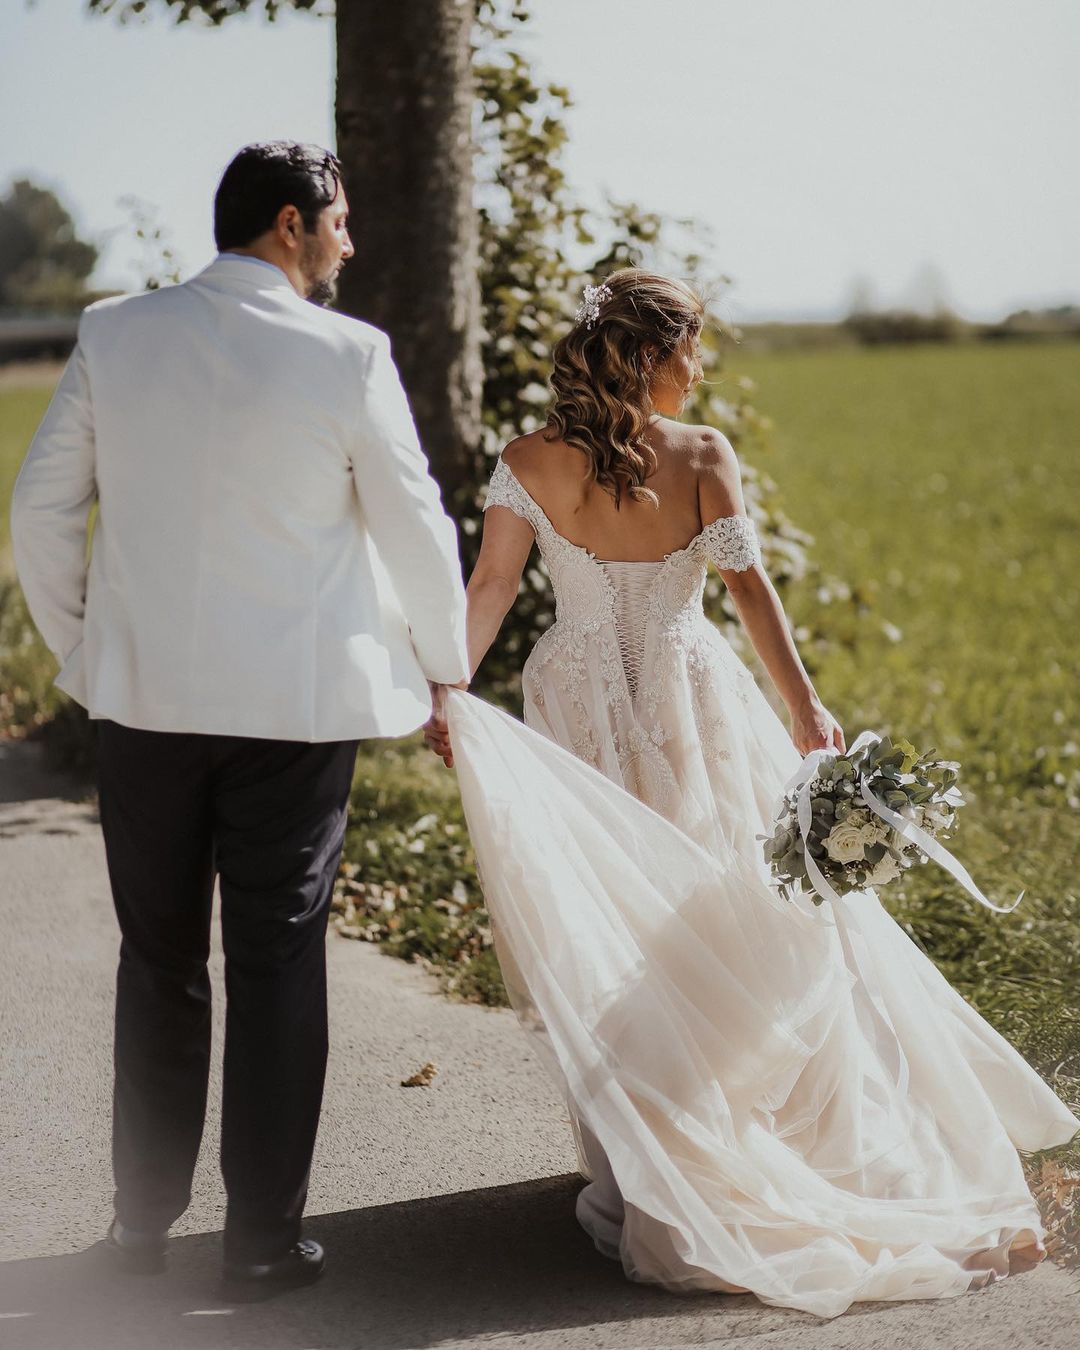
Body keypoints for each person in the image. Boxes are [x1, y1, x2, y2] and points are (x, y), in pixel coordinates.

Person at [422, 268, 1080, 1319]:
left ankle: (666, 1163)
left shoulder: (528, 463)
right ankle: (709, 1145)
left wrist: (451, 686)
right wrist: (804, 705)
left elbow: (493, 587)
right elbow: (747, 591)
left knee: (624, 924)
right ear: (646, 356)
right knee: (717, 914)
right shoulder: (703, 457)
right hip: (693, 703)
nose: (700, 368)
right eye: (690, 350)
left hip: (583, 706)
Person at [10, 141, 470, 1290]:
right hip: (293, 715)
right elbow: (417, 526)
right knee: (277, 963)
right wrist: (446, 671)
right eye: (342, 223)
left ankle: (138, 1233)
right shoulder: (350, 355)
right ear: (290, 223)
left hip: (144, 707)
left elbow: (41, 508)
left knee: (158, 960)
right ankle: (262, 1243)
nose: (350, 244)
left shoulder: (117, 334)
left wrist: (84, 647)